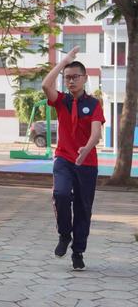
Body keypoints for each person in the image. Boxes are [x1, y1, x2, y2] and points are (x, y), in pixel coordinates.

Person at [42, 46, 105, 271]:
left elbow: (96, 133)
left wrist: (86, 149)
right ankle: (64, 234)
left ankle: (78, 251)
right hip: (64, 159)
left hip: (87, 163)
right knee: (60, 193)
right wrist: (64, 61)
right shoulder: (61, 101)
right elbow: (45, 85)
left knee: (83, 208)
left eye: (75, 77)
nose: (71, 81)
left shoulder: (94, 104)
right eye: (67, 78)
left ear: (85, 78)